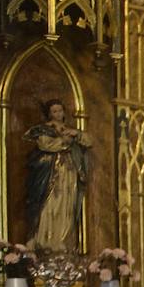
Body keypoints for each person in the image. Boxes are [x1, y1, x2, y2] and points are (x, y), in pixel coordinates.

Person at [24, 98, 92, 254]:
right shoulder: (44, 129)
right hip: (50, 174)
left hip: (68, 174)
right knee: (49, 204)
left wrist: (77, 134)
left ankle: (60, 240)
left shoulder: (70, 130)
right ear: (48, 114)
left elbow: (88, 142)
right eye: (54, 111)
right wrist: (64, 141)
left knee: (66, 206)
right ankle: (45, 240)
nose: (57, 114)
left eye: (60, 110)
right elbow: (45, 145)